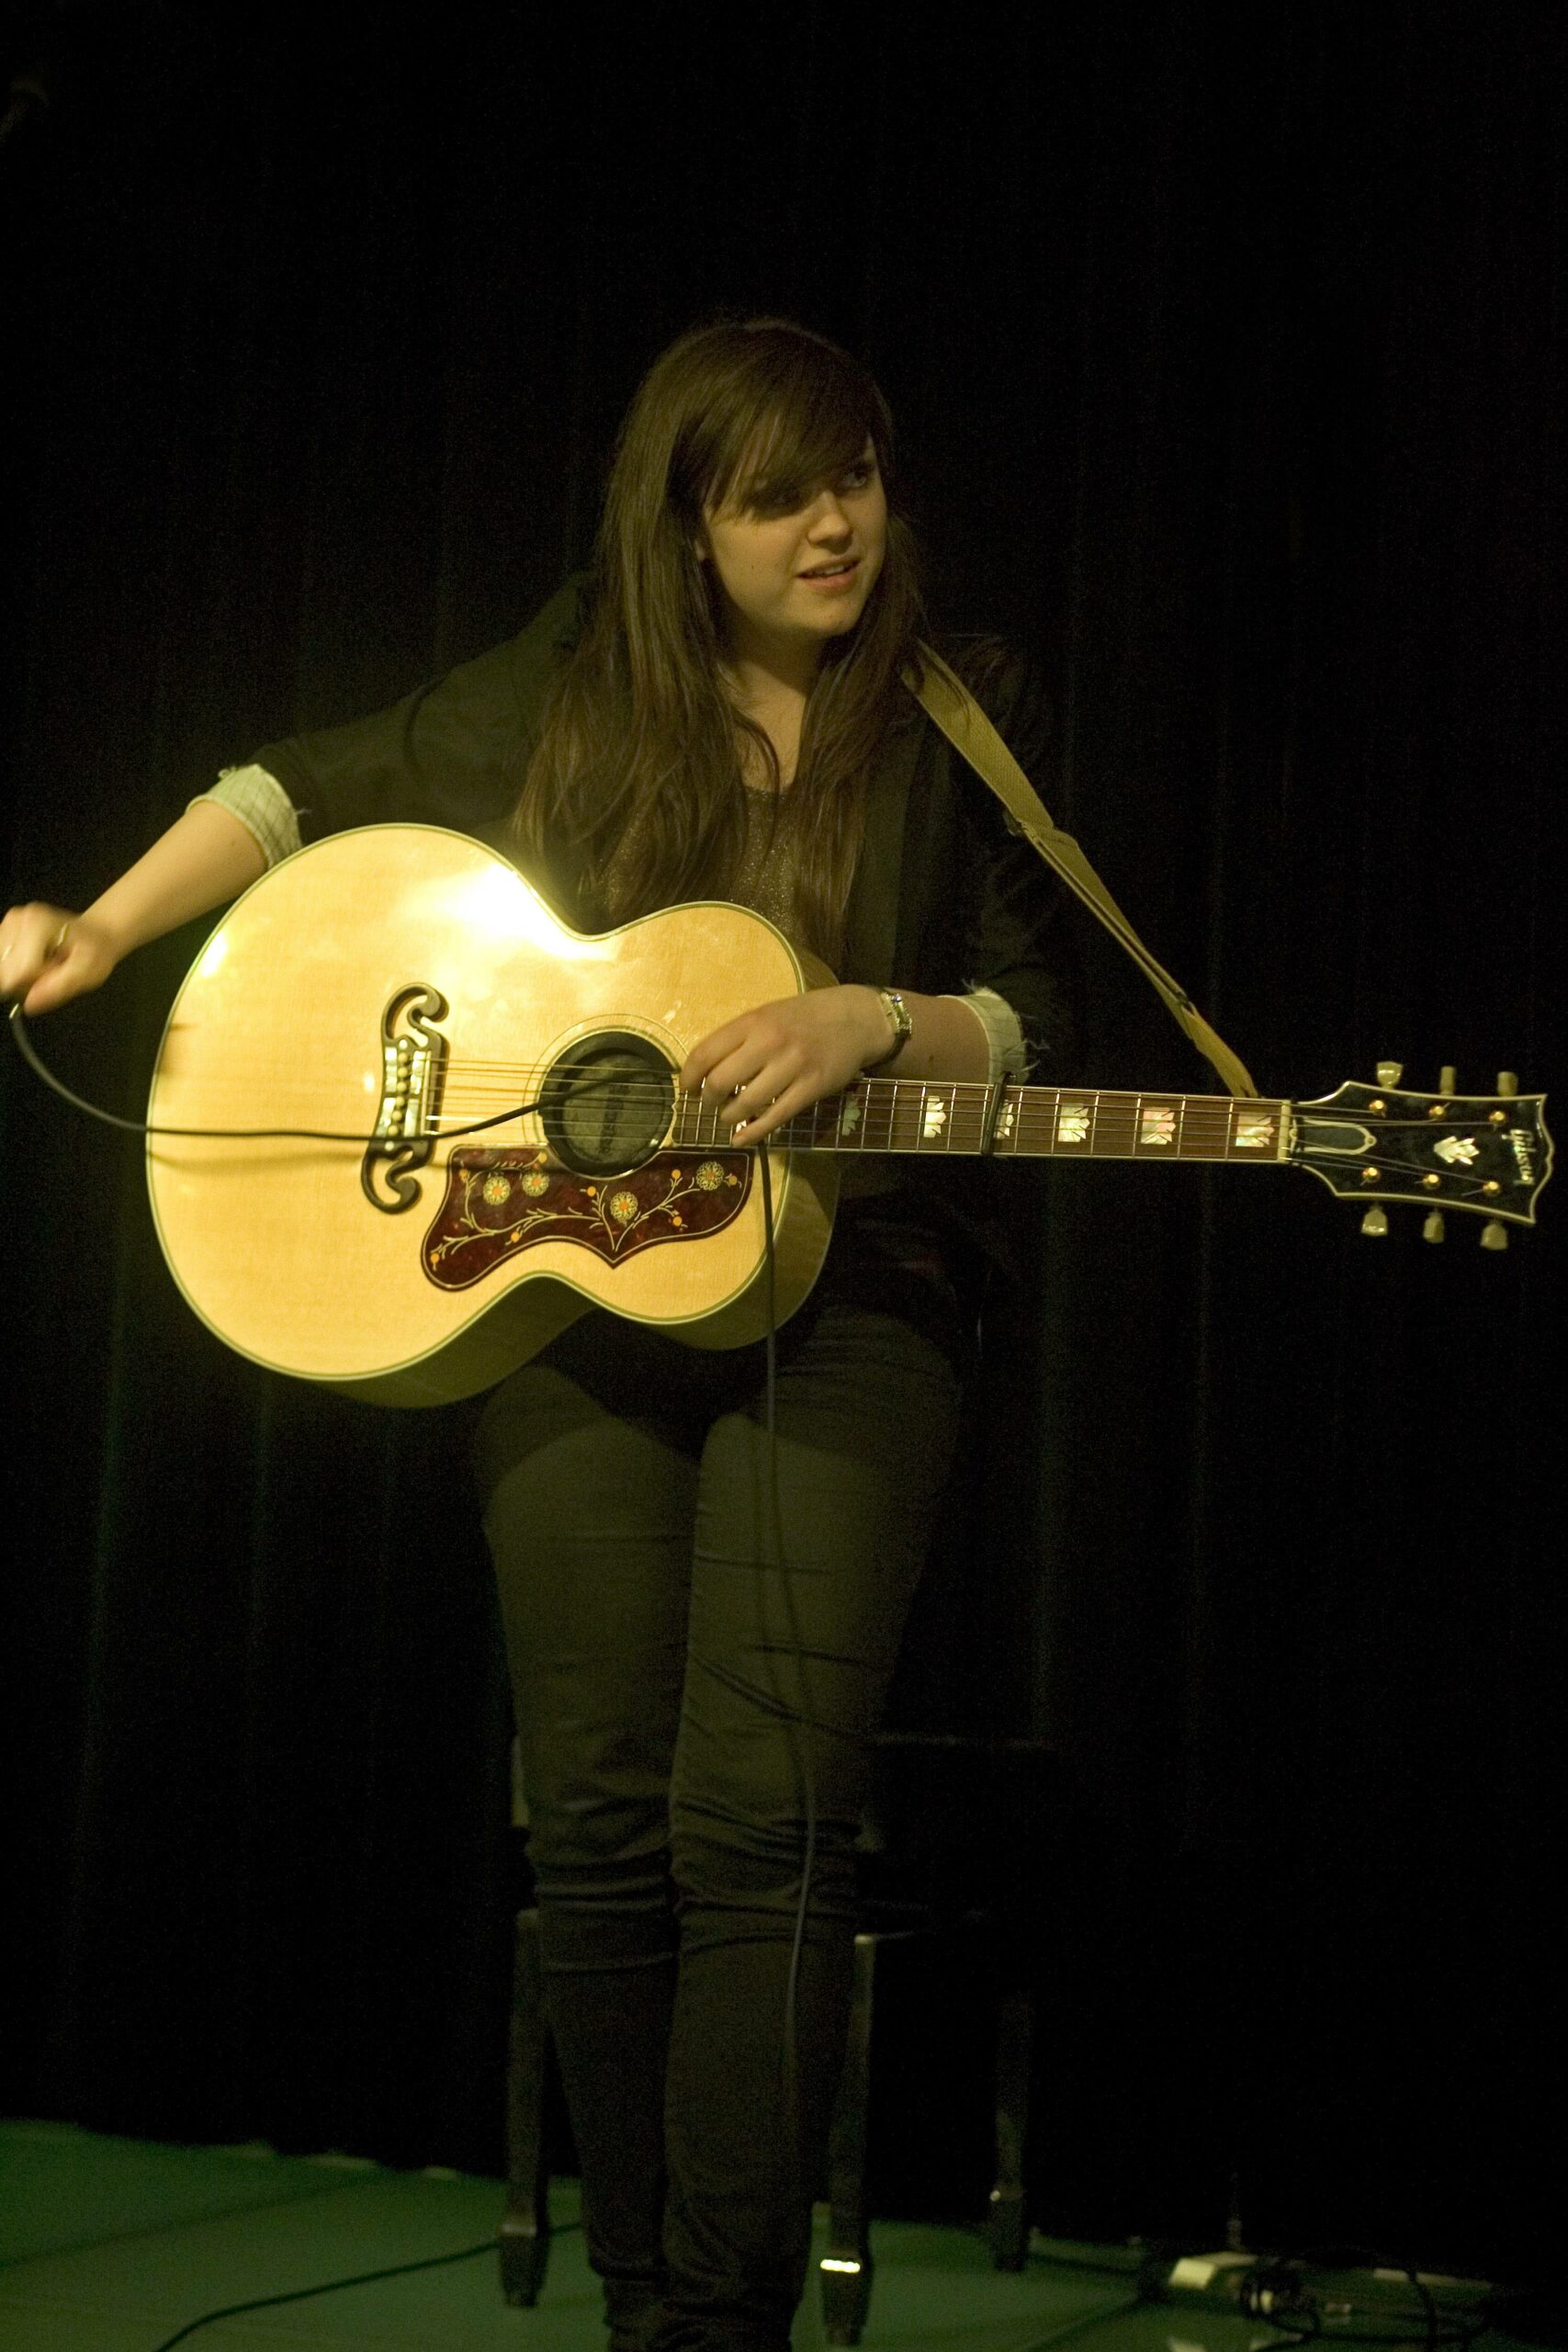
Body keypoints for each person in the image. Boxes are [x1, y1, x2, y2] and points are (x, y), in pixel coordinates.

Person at [1, 318, 1075, 2352]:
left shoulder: (964, 705)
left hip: (865, 1285)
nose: (831, 521)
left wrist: (873, 1014)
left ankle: (716, 2328)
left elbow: (1035, 1017)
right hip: (576, 1289)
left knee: (764, 1814)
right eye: (776, 492)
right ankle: (645, 2302)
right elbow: (297, 783)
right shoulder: (583, 678)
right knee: (592, 1809)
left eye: (853, 475)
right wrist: (109, 924)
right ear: (685, 528)